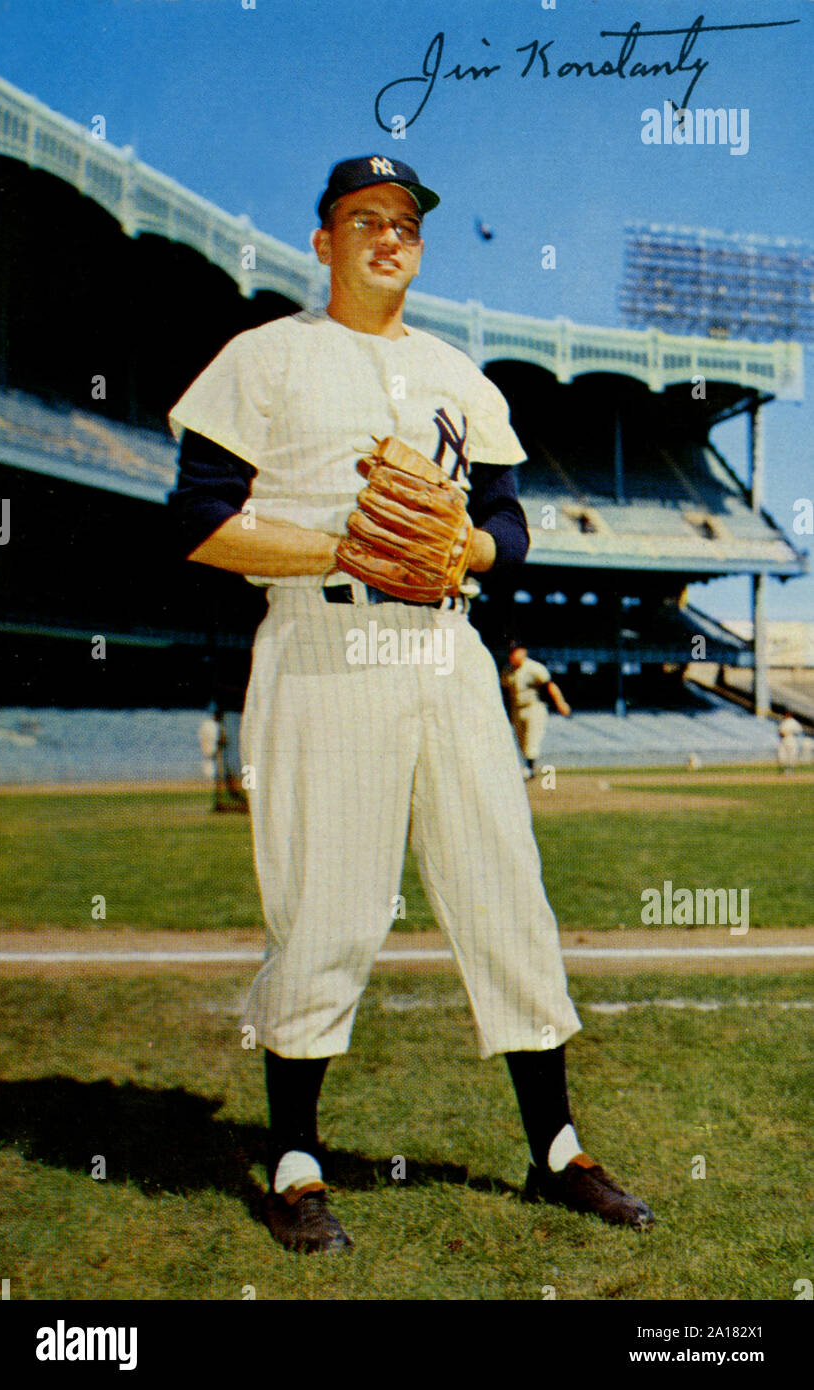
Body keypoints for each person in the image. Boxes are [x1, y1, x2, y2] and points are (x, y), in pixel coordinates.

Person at [168, 155, 653, 1253]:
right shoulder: (266, 358)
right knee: (328, 904)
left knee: (506, 894)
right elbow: (198, 517)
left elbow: (509, 524)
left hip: (445, 644)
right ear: (324, 242)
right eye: (365, 219)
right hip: (322, 635)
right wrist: (342, 543)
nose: (390, 237)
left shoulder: (458, 374)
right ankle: (296, 1163)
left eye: (406, 224)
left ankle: (559, 1151)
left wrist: (469, 543)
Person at [501, 642, 571, 779]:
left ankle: (529, 769)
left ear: (523, 652)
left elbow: (549, 685)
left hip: (534, 707)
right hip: (517, 708)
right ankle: (528, 768)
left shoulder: (534, 668)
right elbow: (504, 692)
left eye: (516, 651)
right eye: (511, 652)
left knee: (531, 740)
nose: (513, 655)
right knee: (521, 742)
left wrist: (560, 703)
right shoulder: (507, 670)